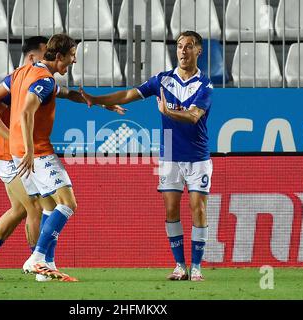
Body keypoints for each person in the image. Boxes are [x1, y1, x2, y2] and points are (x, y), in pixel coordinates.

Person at [80, 31, 213, 281]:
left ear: (199, 51)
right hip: (170, 152)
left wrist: (168, 113)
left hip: (198, 155)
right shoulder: (162, 80)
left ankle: (196, 267)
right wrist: (97, 100)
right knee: (171, 210)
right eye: (180, 46)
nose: (183, 51)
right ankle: (179, 266)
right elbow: (128, 94)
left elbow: (194, 116)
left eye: (189, 46)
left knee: (199, 209)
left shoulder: (204, 85)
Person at [9, 33, 125, 281]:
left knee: (50, 206)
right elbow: (26, 113)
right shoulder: (44, 80)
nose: (73, 62)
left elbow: (66, 94)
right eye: (71, 56)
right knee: (68, 203)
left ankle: (46, 267)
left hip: (18, 148)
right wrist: (30, 151)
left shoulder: (29, 72)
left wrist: (99, 103)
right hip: (36, 151)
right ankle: (37, 259)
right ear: (59, 55)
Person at [0, 36, 58, 281]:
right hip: (5, 154)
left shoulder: (38, 81)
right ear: (32, 57)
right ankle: (39, 266)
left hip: (13, 153)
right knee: (36, 207)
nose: (49, 58)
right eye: (45, 54)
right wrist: (16, 140)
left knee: (19, 209)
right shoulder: (18, 81)